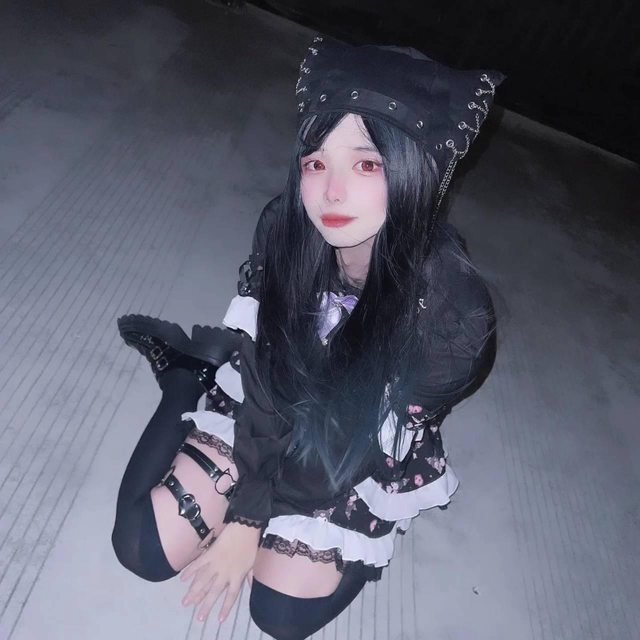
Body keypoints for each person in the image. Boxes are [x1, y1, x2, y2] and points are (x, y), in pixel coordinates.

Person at [111, 35, 504, 640]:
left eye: (367, 164)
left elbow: (348, 452)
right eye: (316, 162)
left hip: (354, 443)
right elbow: (267, 374)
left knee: (280, 615)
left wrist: (248, 524)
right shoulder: (287, 226)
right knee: (141, 549)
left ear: (419, 171)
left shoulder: (454, 316)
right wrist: (248, 512)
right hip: (275, 398)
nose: (331, 192)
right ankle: (186, 378)